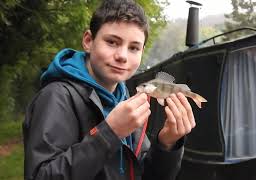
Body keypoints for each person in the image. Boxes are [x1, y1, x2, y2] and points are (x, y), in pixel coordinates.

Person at [23, 0, 196, 180]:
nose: (122, 56)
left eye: (134, 48)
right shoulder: (56, 97)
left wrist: (167, 144)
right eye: (112, 42)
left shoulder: (124, 98)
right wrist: (109, 133)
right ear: (88, 41)